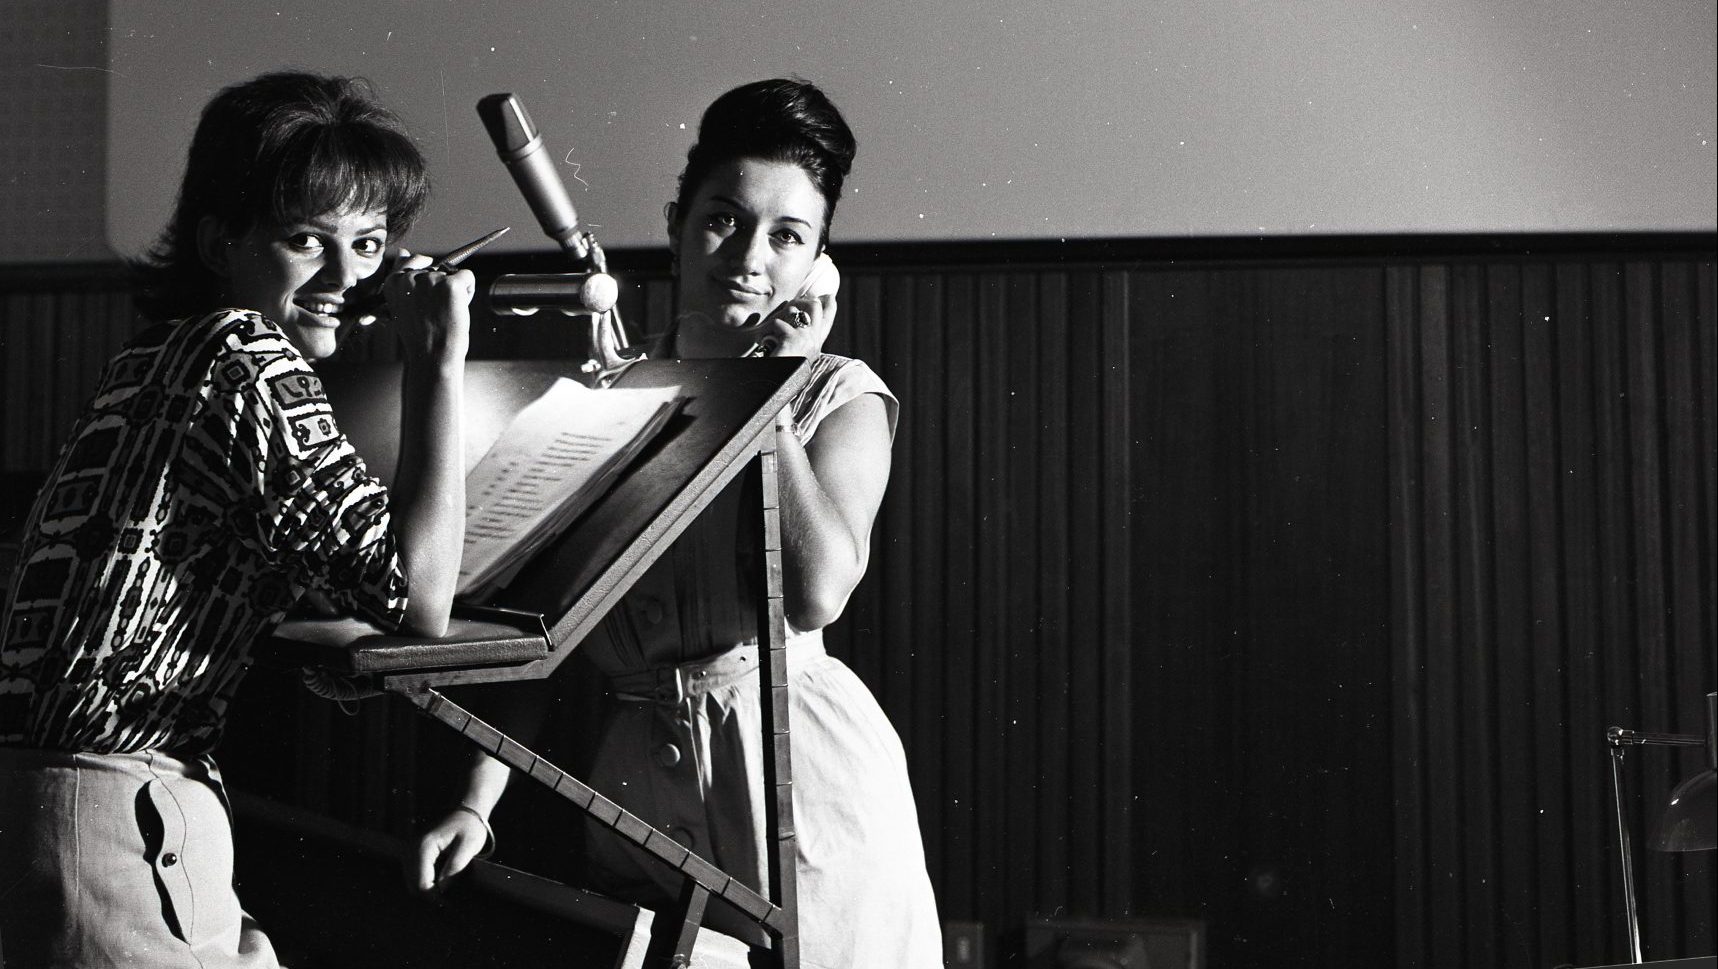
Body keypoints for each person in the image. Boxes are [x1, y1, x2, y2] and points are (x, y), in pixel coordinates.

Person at [414, 78, 943, 965]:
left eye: (788, 237)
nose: (748, 256)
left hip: (803, 787)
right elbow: (538, 628)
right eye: (723, 219)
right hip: (634, 801)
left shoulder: (836, 393)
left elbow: (815, 594)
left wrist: (767, 390)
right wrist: (476, 800)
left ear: (819, 262)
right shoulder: (600, 396)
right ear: (675, 221)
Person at [0, 71, 473, 968]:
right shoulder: (243, 353)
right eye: (307, 240)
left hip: (67, 817)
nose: (346, 276)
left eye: (369, 244)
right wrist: (438, 361)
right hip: (115, 821)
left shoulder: (156, 354)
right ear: (223, 239)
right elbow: (419, 601)